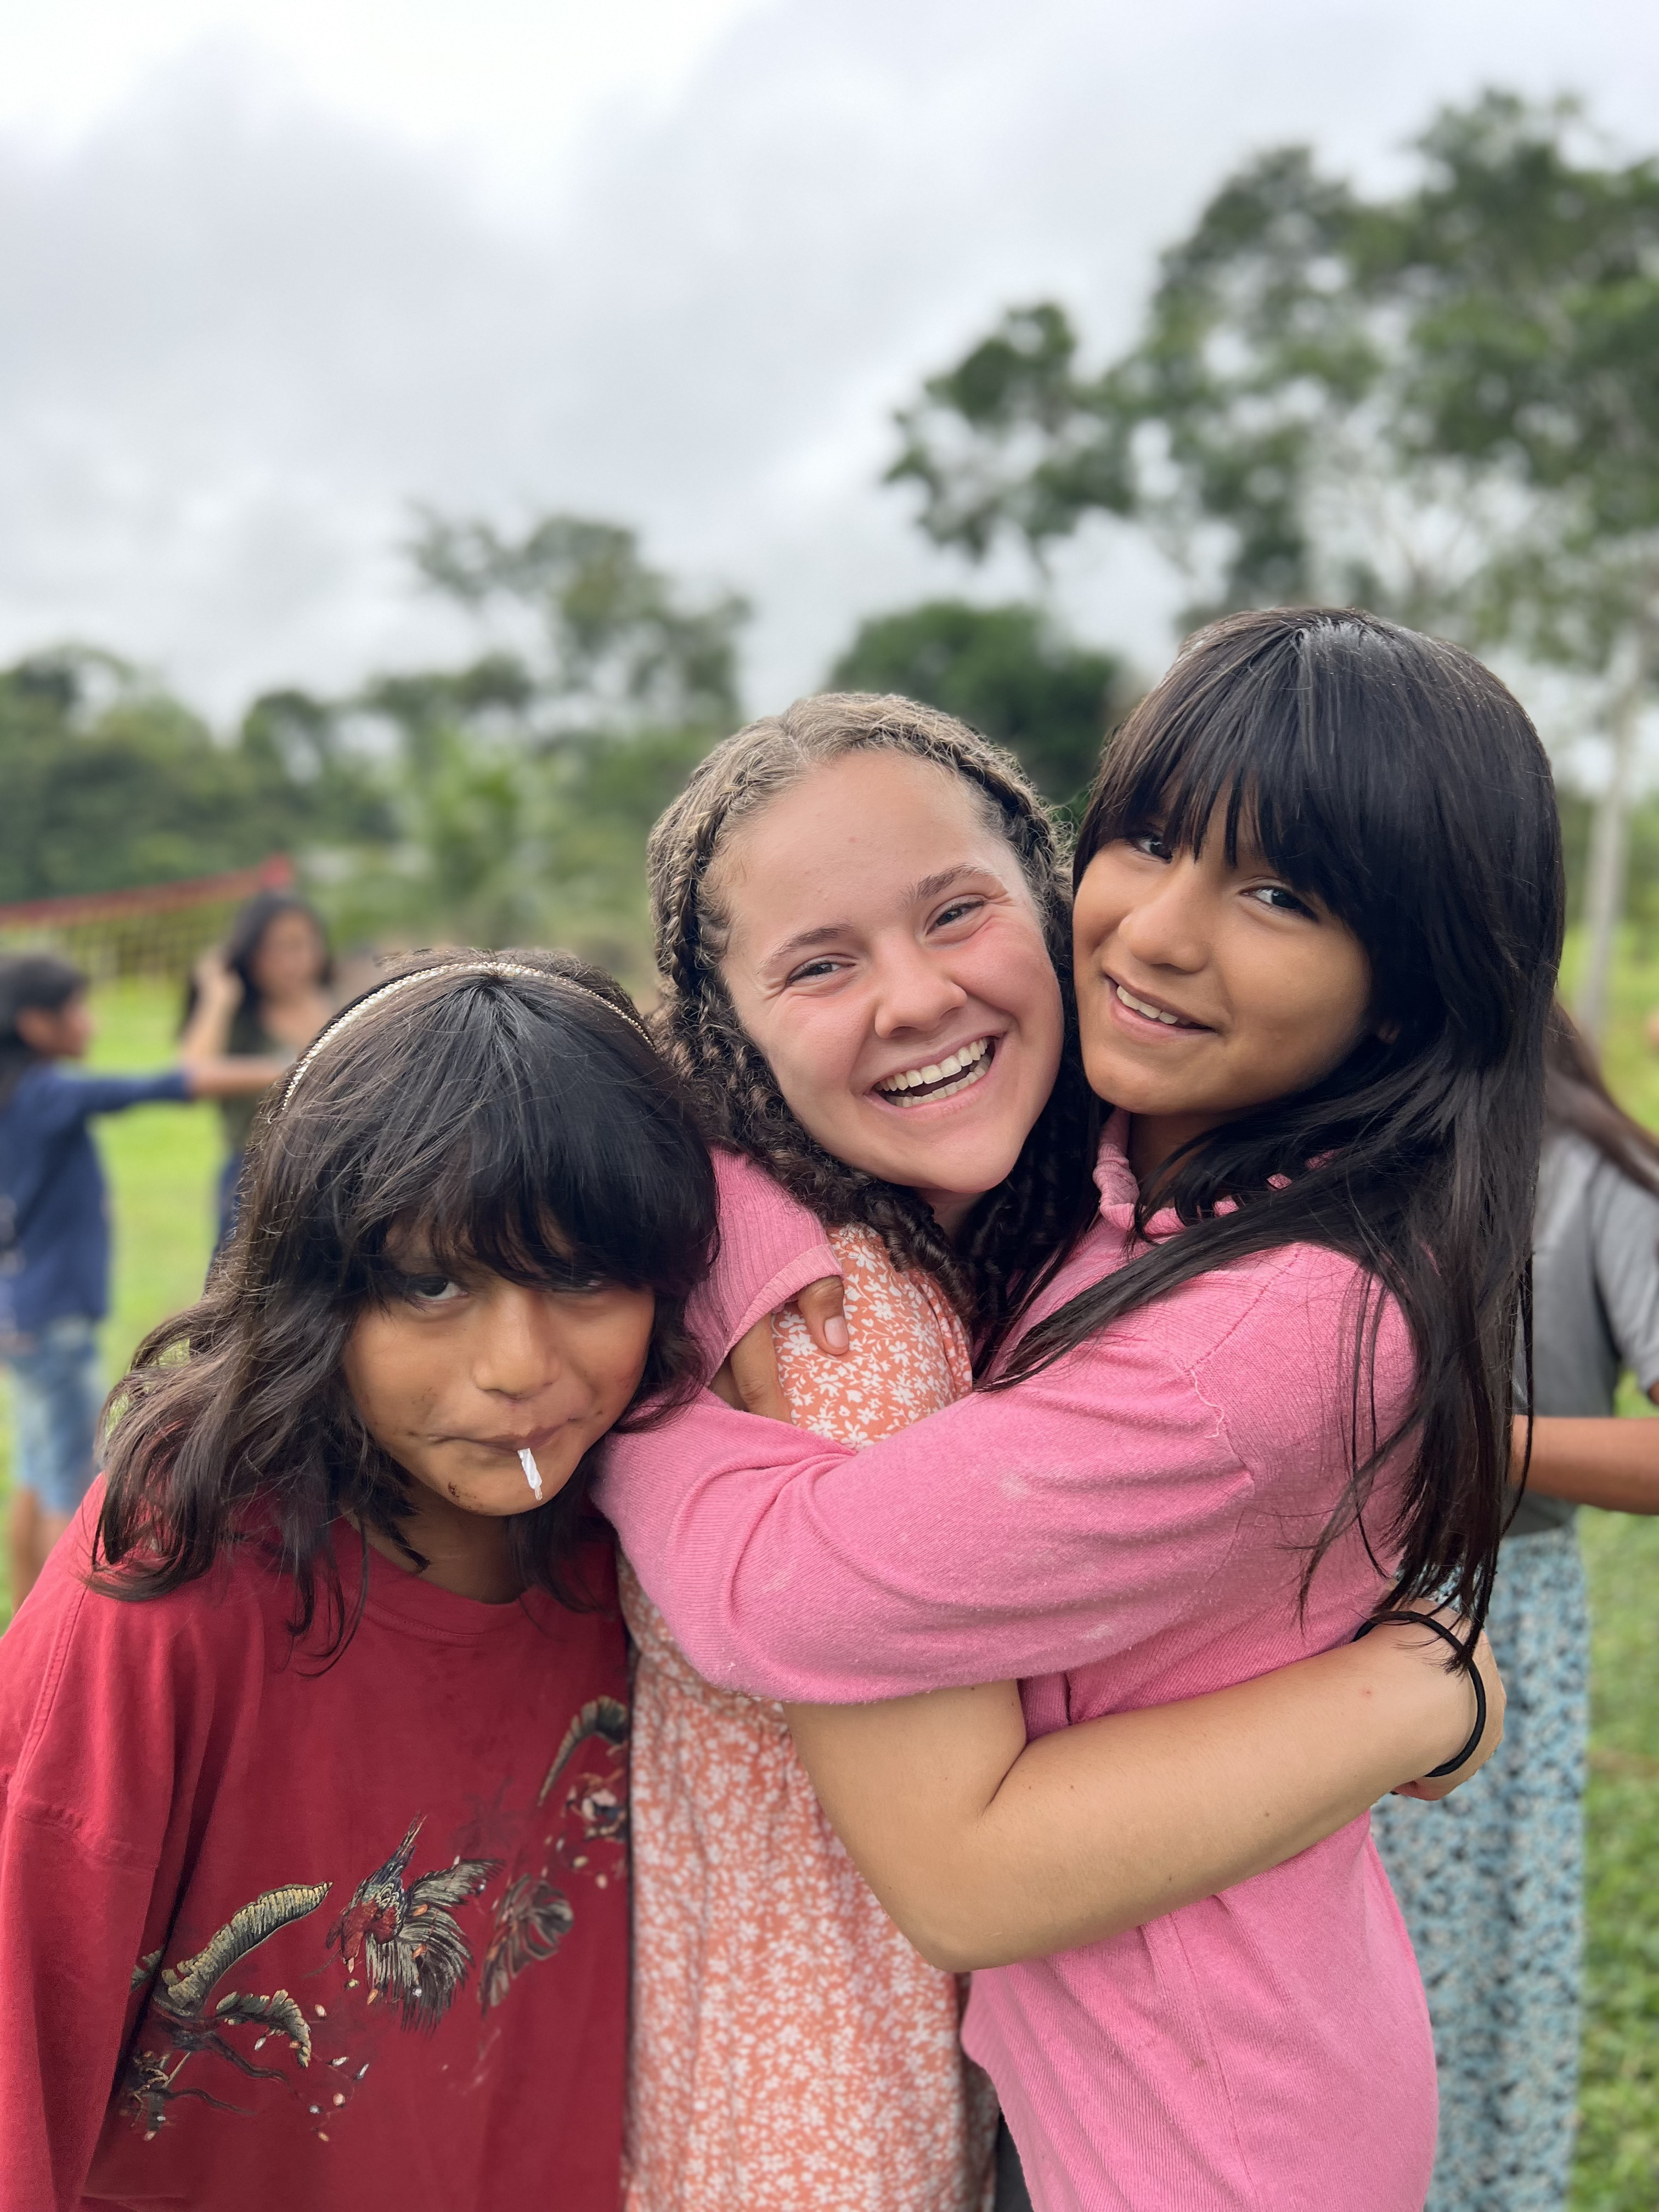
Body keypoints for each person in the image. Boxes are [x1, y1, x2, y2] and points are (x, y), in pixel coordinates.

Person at [599, 608, 1562, 2212]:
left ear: (1407, 986)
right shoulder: (1150, 1178)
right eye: (1155, 841)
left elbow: (798, 1592)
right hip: (1171, 2058)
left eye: (1281, 896)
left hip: (1207, 2135)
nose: (1159, 935)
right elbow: (785, 1077)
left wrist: (626, 1407)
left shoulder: (1260, 1332)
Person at [0, 950, 719, 2211]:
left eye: (585, 1276)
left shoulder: (655, 1543)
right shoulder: (177, 1571)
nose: (517, 1366)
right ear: (312, 1289)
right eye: (431, 1282)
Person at [1373, 1003, 1659, 2212]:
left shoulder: (1591, 1171)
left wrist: (1470, 1440)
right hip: (1311, 1626)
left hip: (1494, 1617)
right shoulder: (1352, 1147)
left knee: (1464, 1996)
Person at [0, 952, 283, 1609]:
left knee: (38, 1471)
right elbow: (171, 1083)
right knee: (74, 1489)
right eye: (75, 1009)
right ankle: (57, 1629)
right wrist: (294, 1063)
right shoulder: (46, 1092)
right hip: (55, 1315)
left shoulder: (14, 1093)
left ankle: (20, 1626)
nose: (89, 1023)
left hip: (19, 1312)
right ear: (36, 1024)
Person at [179, 890, 335, 1244]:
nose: (291, 961)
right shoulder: (242, 1022)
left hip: (341, 1178)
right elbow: (189, 1077)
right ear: (250, 955)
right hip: (257, 1182)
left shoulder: (350, 1008)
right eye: (276, 949)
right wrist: (217, 997)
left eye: (301, 945)